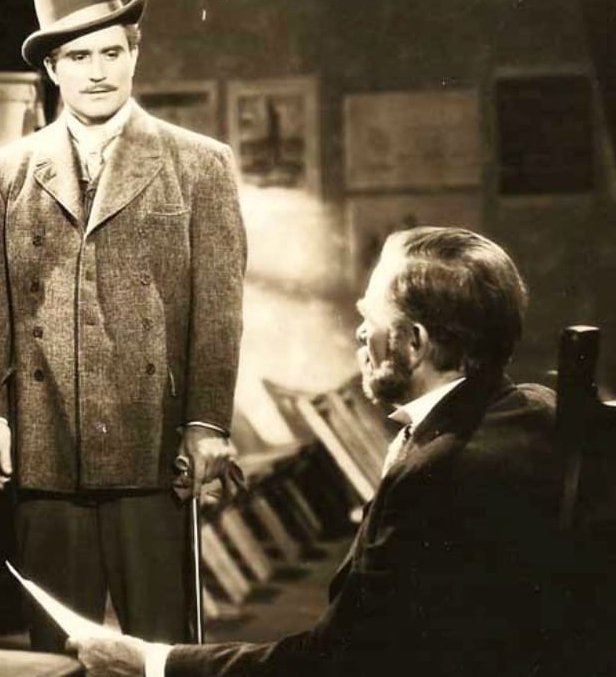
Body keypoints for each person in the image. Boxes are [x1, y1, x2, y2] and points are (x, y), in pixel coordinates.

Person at [70, 226, 569, 677]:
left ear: (414, 342)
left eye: (369, 318)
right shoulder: (537, 409)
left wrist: (152, 663)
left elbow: (332, 662)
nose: (360, 333)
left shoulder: (433, 472)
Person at [0, 0, 246, 652]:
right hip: (46, 442)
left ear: (134, 55)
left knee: (161, 647)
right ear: (52, 69)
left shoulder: (199, 164)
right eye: (79, 57)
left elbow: (219, 311)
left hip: (153, 443)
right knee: (57, 650)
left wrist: (207, 422)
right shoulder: (8, 172)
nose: (98, 72)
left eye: (111, 53)